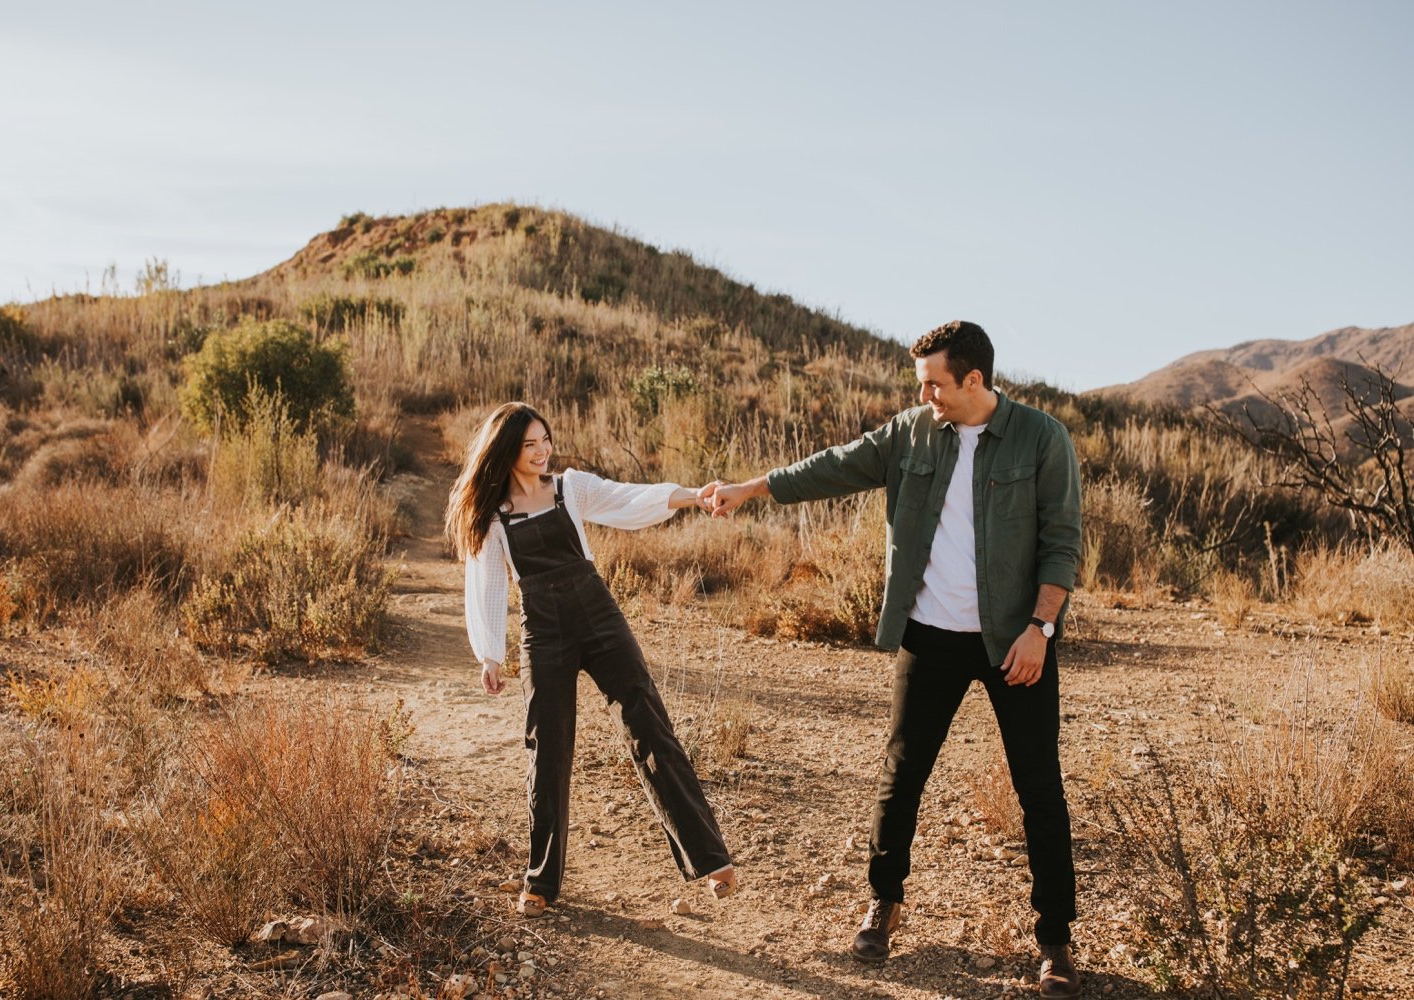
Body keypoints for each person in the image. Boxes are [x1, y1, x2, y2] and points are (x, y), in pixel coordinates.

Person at [706, 321, 1083, 997]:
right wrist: (749, 488)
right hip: (929, 635)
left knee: (1039, 789)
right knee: (900, 775)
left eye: (934, 383)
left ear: (973, 380)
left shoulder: (1040, 437)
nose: (924, 395)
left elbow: (1062, 539)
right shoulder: (910, 433)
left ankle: (1054, 938)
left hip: (1014, 640)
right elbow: (831, 466)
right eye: (920, 384)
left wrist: (1041, 627)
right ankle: (884, 902)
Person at [445, 401, 736, 917]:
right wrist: (490, 653)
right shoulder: (493, 518)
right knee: (548, 749)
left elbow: (628, 500)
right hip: (544, 633)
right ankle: (540, 880)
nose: (542, 451)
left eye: (545, 440)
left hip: (599, 619)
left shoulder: (569, 488)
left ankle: (710, 858)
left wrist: (691, 496)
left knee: (649, 724)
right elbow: (485, 583)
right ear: (507, 449)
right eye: (530, 443)